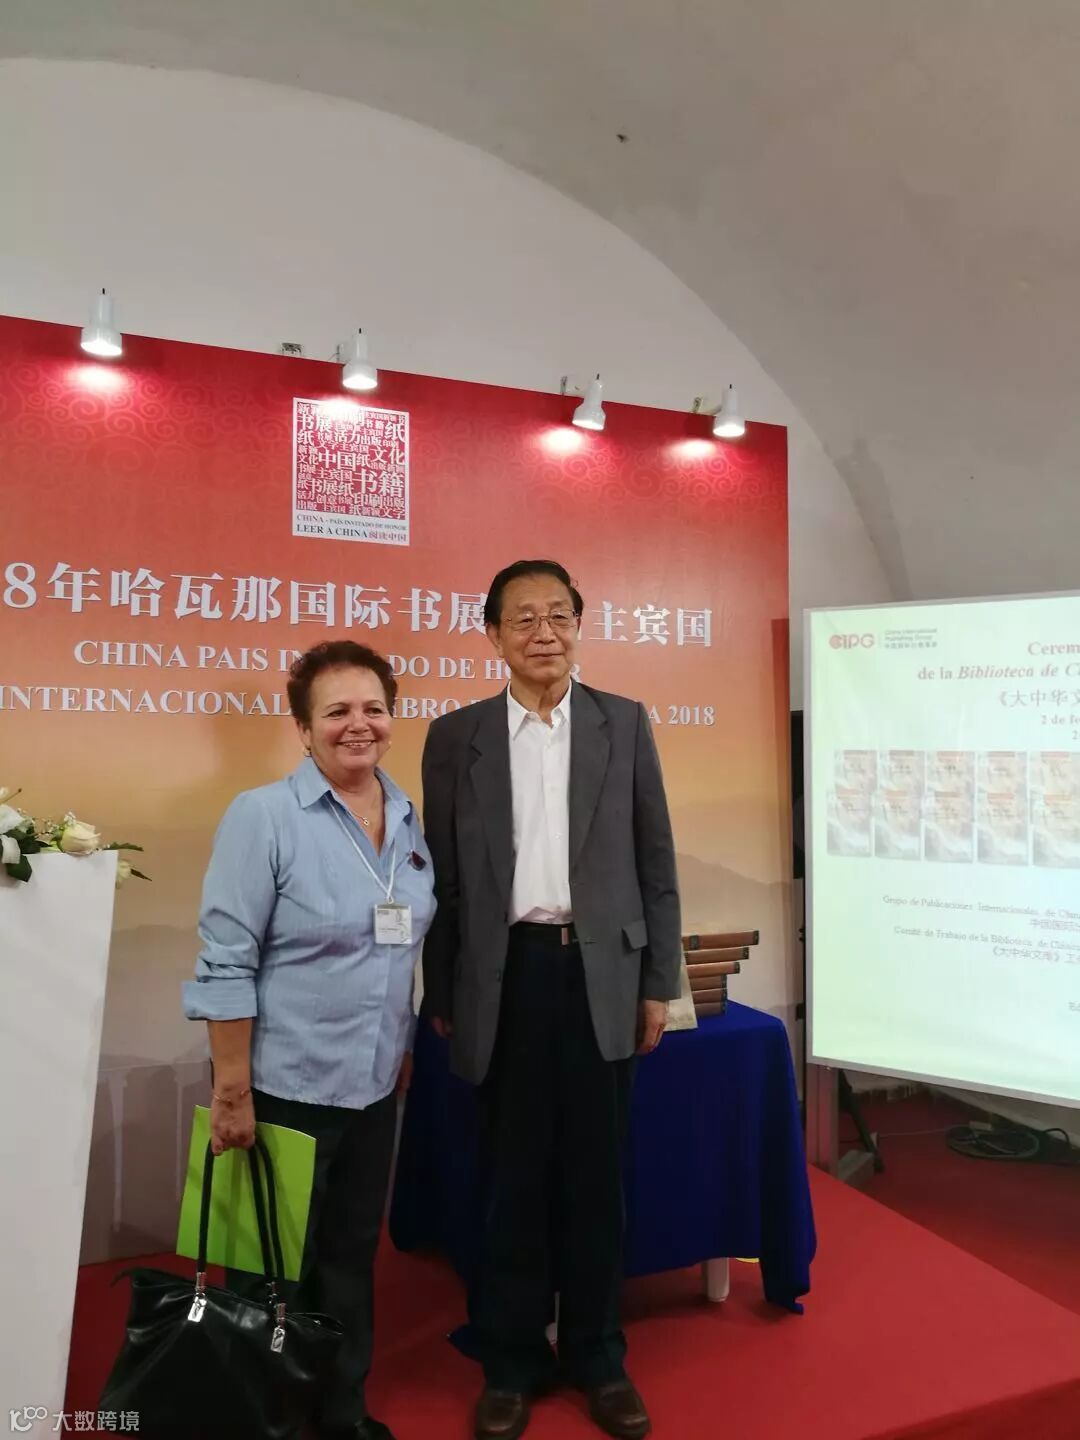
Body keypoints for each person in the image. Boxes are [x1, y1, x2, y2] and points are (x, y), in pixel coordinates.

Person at [421, 560, 681, 1440]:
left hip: (601, 978)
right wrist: (443, 987)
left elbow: (656, 864)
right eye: (524, 618)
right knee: (511, 1180)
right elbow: (445, 881)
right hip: (505, 980)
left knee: (598, 1181)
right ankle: (511, 1361)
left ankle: (599, 1358)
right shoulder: (456, 737)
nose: (544, 632)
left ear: (579, 625)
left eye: (559, 615)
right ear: (492, 635)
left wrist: (659, 984)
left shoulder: (624, 722)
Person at [183, 639, 435, 1440]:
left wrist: (399, 1048)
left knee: (350, 1262)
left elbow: (398, 949)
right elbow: (227, 962)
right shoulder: (263, 816)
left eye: (374, 708)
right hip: (282, 1089)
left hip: (373, 1088)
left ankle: (340, 1412)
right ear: (302, 727)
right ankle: (265, 1423)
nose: (359, 725)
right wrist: (231, 1091)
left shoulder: (407, 817)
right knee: (266, 1273)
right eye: (337, 711)